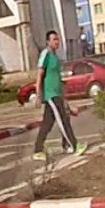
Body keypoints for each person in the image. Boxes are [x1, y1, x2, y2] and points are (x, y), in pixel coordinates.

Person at [33, 30, 86, 160]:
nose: (57, 42)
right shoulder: (45, 54)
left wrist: (65, 99)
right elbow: (39, 75)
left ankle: (38, 150)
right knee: (63, 119)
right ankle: (75, 145)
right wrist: (38, 94)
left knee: (47, 124)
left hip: (57, 94)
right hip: (51, 95)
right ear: (48, 41)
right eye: (54, 39)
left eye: (57, 39)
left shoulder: (56, 58)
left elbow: (57, 79)